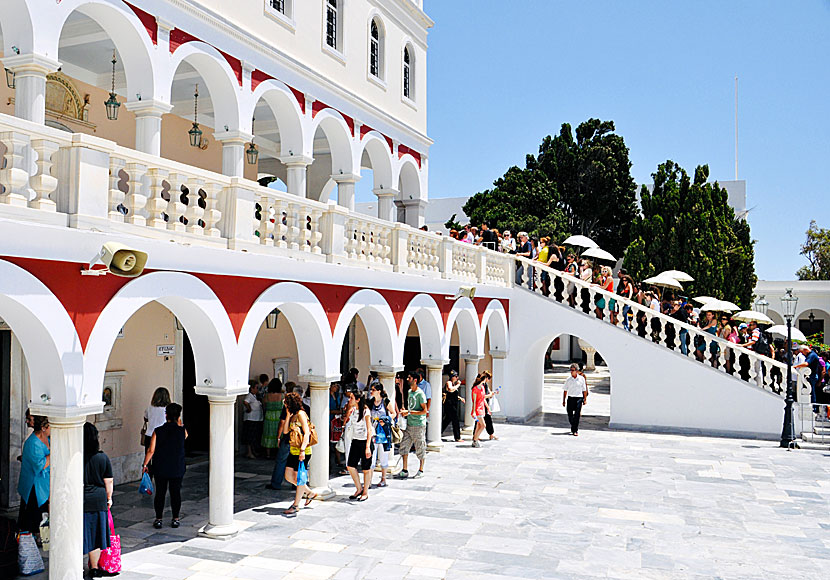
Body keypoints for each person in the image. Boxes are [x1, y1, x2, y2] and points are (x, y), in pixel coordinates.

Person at [142, 403, 187, 529]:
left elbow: (151, 450)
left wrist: (145, 464)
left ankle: (158, 519)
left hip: (160, 466)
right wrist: (179, 422)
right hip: (177, 467)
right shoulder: (182, 431)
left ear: (166, 415)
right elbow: (185, 437)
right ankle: (175, 518)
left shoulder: (158, 431)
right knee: (175, 493)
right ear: (178, 416)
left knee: (160, 493)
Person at [83, 422, 114, 578]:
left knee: (81, 534)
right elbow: (108, 481)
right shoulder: (102, 457)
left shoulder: (76, 458)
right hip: (97, 499)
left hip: (80, 499)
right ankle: (94, 567)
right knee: (95, 536)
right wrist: (109, 498)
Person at [282, 392, 315, 515]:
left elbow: (306, 433)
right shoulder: (292, 415)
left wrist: (302, 450)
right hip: (293, 450)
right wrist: (287, 416)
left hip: (303, 451)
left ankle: (296, 505)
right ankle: (309, 492)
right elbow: (286, 431)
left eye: (286, 402)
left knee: (299, 478)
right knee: (288, 476)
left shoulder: (301, 414)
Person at [17, 415, 50, 536]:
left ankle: (42, 538)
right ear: (44, 428)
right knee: (34, 517)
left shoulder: (48, 438)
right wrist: (53, 454)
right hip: (34, 486)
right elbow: (40, 465)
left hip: (45, 483)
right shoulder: (32, 443)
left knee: (44, 516)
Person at [396, 371, 427, 479]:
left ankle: (421, 470)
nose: (407, 379)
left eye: (409, 378)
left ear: (415, 380)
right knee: (404, 446)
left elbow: (424, 411)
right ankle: (404, 469)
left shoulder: (420, 394)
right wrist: (405, 410)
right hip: (409, 424)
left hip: (418, 425)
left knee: (420, 447)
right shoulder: (410, 392)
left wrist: (409, 412)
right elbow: (410, 407)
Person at [346, 392, 373, 501]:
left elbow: (369, 429)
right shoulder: (352, 411)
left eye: (351, 398)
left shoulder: (366, 411)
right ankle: (359, 488)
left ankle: (365, 492)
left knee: (366, 469)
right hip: (355, 440)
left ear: (357, 399)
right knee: (350, 466)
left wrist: (367, 446)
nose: (349, 400)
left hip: (365, 441)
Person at [369, 384, 395, 487]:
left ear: (379, 391)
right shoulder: (370, 402)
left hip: (383, 432)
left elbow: (393, 413)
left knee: (383, 456)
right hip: (373, 432)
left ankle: (383, 479)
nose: (371, 391)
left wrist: (386, 420)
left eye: (373, 390)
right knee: (371, 456)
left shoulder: (385, 402)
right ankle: (369, 480)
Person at [143, 387, 171, 476]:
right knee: (161, 459)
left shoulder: (150, 408)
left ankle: (148, 480)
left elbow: (146, 418)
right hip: (162, 436)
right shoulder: (167, 409)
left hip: (149, 435)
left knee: (148, 458)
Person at [261, 378, 285, 459]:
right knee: (279, 433)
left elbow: (264, 405)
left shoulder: (267, 396)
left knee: (268, 433)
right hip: (279, 415)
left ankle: (268, 454)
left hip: (269, 416)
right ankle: (278, 452)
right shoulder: (282, 396)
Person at [563, 364, 588, 436]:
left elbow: (584, 389)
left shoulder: (581, 379)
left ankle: (575, 430)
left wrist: (585, 399)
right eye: (570, 370)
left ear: (577, 371)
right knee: (570, 414)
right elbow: (565, 390)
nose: (571, 372)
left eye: (573, 370)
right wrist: (564, 400)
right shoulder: (568, 380)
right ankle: (573, 426)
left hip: (579, 398)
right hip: (570, 398)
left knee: (577, 415)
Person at [242, 382, 264, 459]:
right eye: (256, 388)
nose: (257, 389)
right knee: (249, 436)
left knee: (254, 436)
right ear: (252, 388)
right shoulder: (249, 396)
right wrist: (249, 408)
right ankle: (249, 452)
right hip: (251, 419)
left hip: (256, 419)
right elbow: (245, 402)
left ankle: (253, 451)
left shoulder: (255, 396)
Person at [442, 370, 464, 442]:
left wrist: (460, 398)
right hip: (450, 405)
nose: (457, 378)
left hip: (453, 404)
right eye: (455, 376)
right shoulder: (449, 383)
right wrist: (458, 385)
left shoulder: (454, 384)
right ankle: (457, 437)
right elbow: (450, 390)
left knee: (447, 420)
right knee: (455, 420)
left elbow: (454, 394)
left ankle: (439, 431)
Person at [470, 374, 487, 448]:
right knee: (483, 425)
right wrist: (473, 411)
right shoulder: (475, 389)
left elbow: (483, 398)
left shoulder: (482, 388)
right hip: (477, 409)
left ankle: (475, 440)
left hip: (482, 408)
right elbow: (474, 401)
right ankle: (475, 440)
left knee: (479, 425)